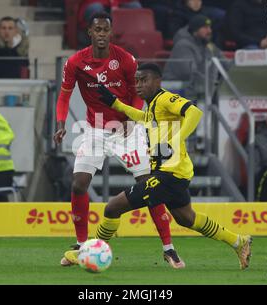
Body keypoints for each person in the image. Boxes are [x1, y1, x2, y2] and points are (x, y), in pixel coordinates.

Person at [63, 63, 252, 270]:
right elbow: (144, 118)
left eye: (144, 80)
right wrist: (116, 103)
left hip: (169, 174)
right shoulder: (152, 106)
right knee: (187, 219)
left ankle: (90, 251)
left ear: (158, 81)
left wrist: (178, 138)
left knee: (113, 207)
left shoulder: (165, 99)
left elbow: (194, 112)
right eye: (136, 81)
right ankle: (238, 241)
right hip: (175, 174)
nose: (139, 85)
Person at [54, 12, 184, 268]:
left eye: (106, 30)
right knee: (79, 184)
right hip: (95, 130)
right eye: (97, 30)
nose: (101, 34)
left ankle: (168, 248)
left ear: (111, 33)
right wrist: (61, 125)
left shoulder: (125, 59)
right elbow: (63, 97)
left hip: (127, 130)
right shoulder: (75, 62)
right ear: (89, 33)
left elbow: (138, 93)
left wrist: (131, 118)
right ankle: (81, 245)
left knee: (149, 186)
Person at [163, 15, 231, 100]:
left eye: (210, 27)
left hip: (196, 88)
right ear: (195, 30)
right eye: (205, 28)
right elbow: (189, 73)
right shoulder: (183, 45)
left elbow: (226, 63)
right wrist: (211, 82)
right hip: (175, 89)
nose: (209, 31)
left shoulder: (208, 45)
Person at [77, 0, 142, 47]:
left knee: (135, 6)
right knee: (96, 9)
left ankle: (132, 47)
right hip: (94, 2)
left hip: (121, 2)